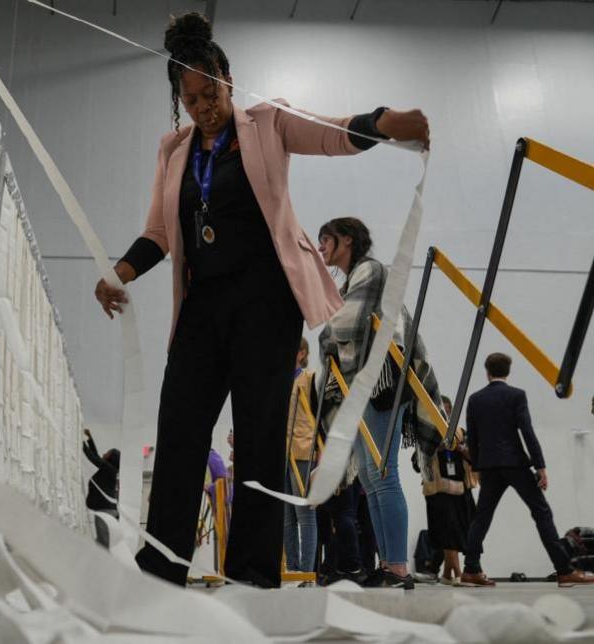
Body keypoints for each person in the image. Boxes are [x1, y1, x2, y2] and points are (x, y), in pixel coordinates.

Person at [92, 12, 429, 588]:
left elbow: (330, 132)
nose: (203, 106)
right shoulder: (173, 151)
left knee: (257, 438)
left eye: (211, 92)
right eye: (191, 98)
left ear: (228, 79)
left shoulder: (268, 123)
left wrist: (387, 122)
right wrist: (116, 274)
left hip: (266, 304)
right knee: (179, 434)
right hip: (201, 307)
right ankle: (160, 569)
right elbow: (159, 233)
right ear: (179, 99)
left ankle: (251, 574)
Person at [318, 216, 442, 589]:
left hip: (380, 382)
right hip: (365, 385)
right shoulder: (351, 278)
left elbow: (343, 326)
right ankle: (389, 564)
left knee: (382, 476)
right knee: (372, 480)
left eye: (326, 240)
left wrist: (325, 338)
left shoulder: (369, 270)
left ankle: (397, 568)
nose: (322, 247)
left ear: (347, 241)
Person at [460, 353, 594, 587]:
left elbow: (473, 436)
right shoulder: (516, 396)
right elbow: (527, 432)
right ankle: (564, 570)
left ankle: (471, 569)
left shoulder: (475, 399)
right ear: (508, 372)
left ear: (487, 372)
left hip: (490, 466)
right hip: (515, 463)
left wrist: (478, 466)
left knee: (481, 518)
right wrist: (540, 465)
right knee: (541, 513)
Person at [413, 396, 477, 585]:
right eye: (441, 411)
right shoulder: (426, 434)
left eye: (448, 412)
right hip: (437, 491)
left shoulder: (461, 432)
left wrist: (459, 448)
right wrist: (435, 449)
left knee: (462, 531)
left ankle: (446, 573)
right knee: (446, 532)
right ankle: (456, 572)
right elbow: (417, 464)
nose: (445, 415)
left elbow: (475, 457)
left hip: (461, 490)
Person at [284, 338, 318, 572]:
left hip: (303, 450)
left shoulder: (309, 378)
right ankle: (293, 568)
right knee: (287, 518)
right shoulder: (283, 380)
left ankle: (306, 571)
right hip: (284, 453)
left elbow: (317, 414)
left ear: (301, 353)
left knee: (304, 515)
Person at [82, 429, 120, 548]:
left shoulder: (109, 470)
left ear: (111, 459)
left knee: (103, 546)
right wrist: (89, 439)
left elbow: (93, 458)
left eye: (107, 453)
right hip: (107, 512)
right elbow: (96, 456)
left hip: (106, 513)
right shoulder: (109, 470)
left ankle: (104, 566)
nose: (104, 454)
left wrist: (80, 441)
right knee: (102, 544)